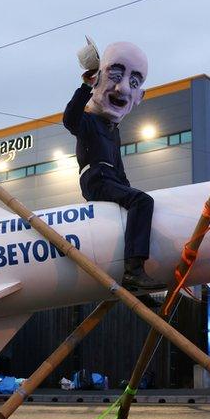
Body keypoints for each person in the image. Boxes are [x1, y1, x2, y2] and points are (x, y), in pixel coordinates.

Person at [63, 39, 164, 292]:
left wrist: (129, 192)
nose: (122, 88)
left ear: (139, 96)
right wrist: (85, 86)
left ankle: (135, 284)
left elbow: (120, 171)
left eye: (133, 82)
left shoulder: (113, 131)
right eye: (115, 75)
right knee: (142, 202)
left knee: (137, 203)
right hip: (95, 178)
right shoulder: (87, 120)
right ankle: (134, 270)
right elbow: (70, 119)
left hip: (110, 179)